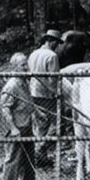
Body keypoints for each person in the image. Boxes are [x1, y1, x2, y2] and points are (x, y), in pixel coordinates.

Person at [0, 53, 44, 180]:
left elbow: (29, 102)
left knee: (29, 157)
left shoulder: (24, 82)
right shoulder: (12, 86)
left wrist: (38, 113)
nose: (26, 68)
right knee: (13, 158)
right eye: (23, 65)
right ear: (14, 67)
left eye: (26, 64)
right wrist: (13, 128)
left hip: (26, 125)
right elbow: (5, 109)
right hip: (16, 127)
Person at [28, 29, 63, 169]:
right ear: (51, 41)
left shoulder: (33, 53)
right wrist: (57, 92)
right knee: (58, 124)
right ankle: (40, 149)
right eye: (57, 43)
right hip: (46, 93)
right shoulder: (52, 56)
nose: (57, 46)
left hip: (33, 92)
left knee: (41, 124)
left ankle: (40, 159)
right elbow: (53, 78)